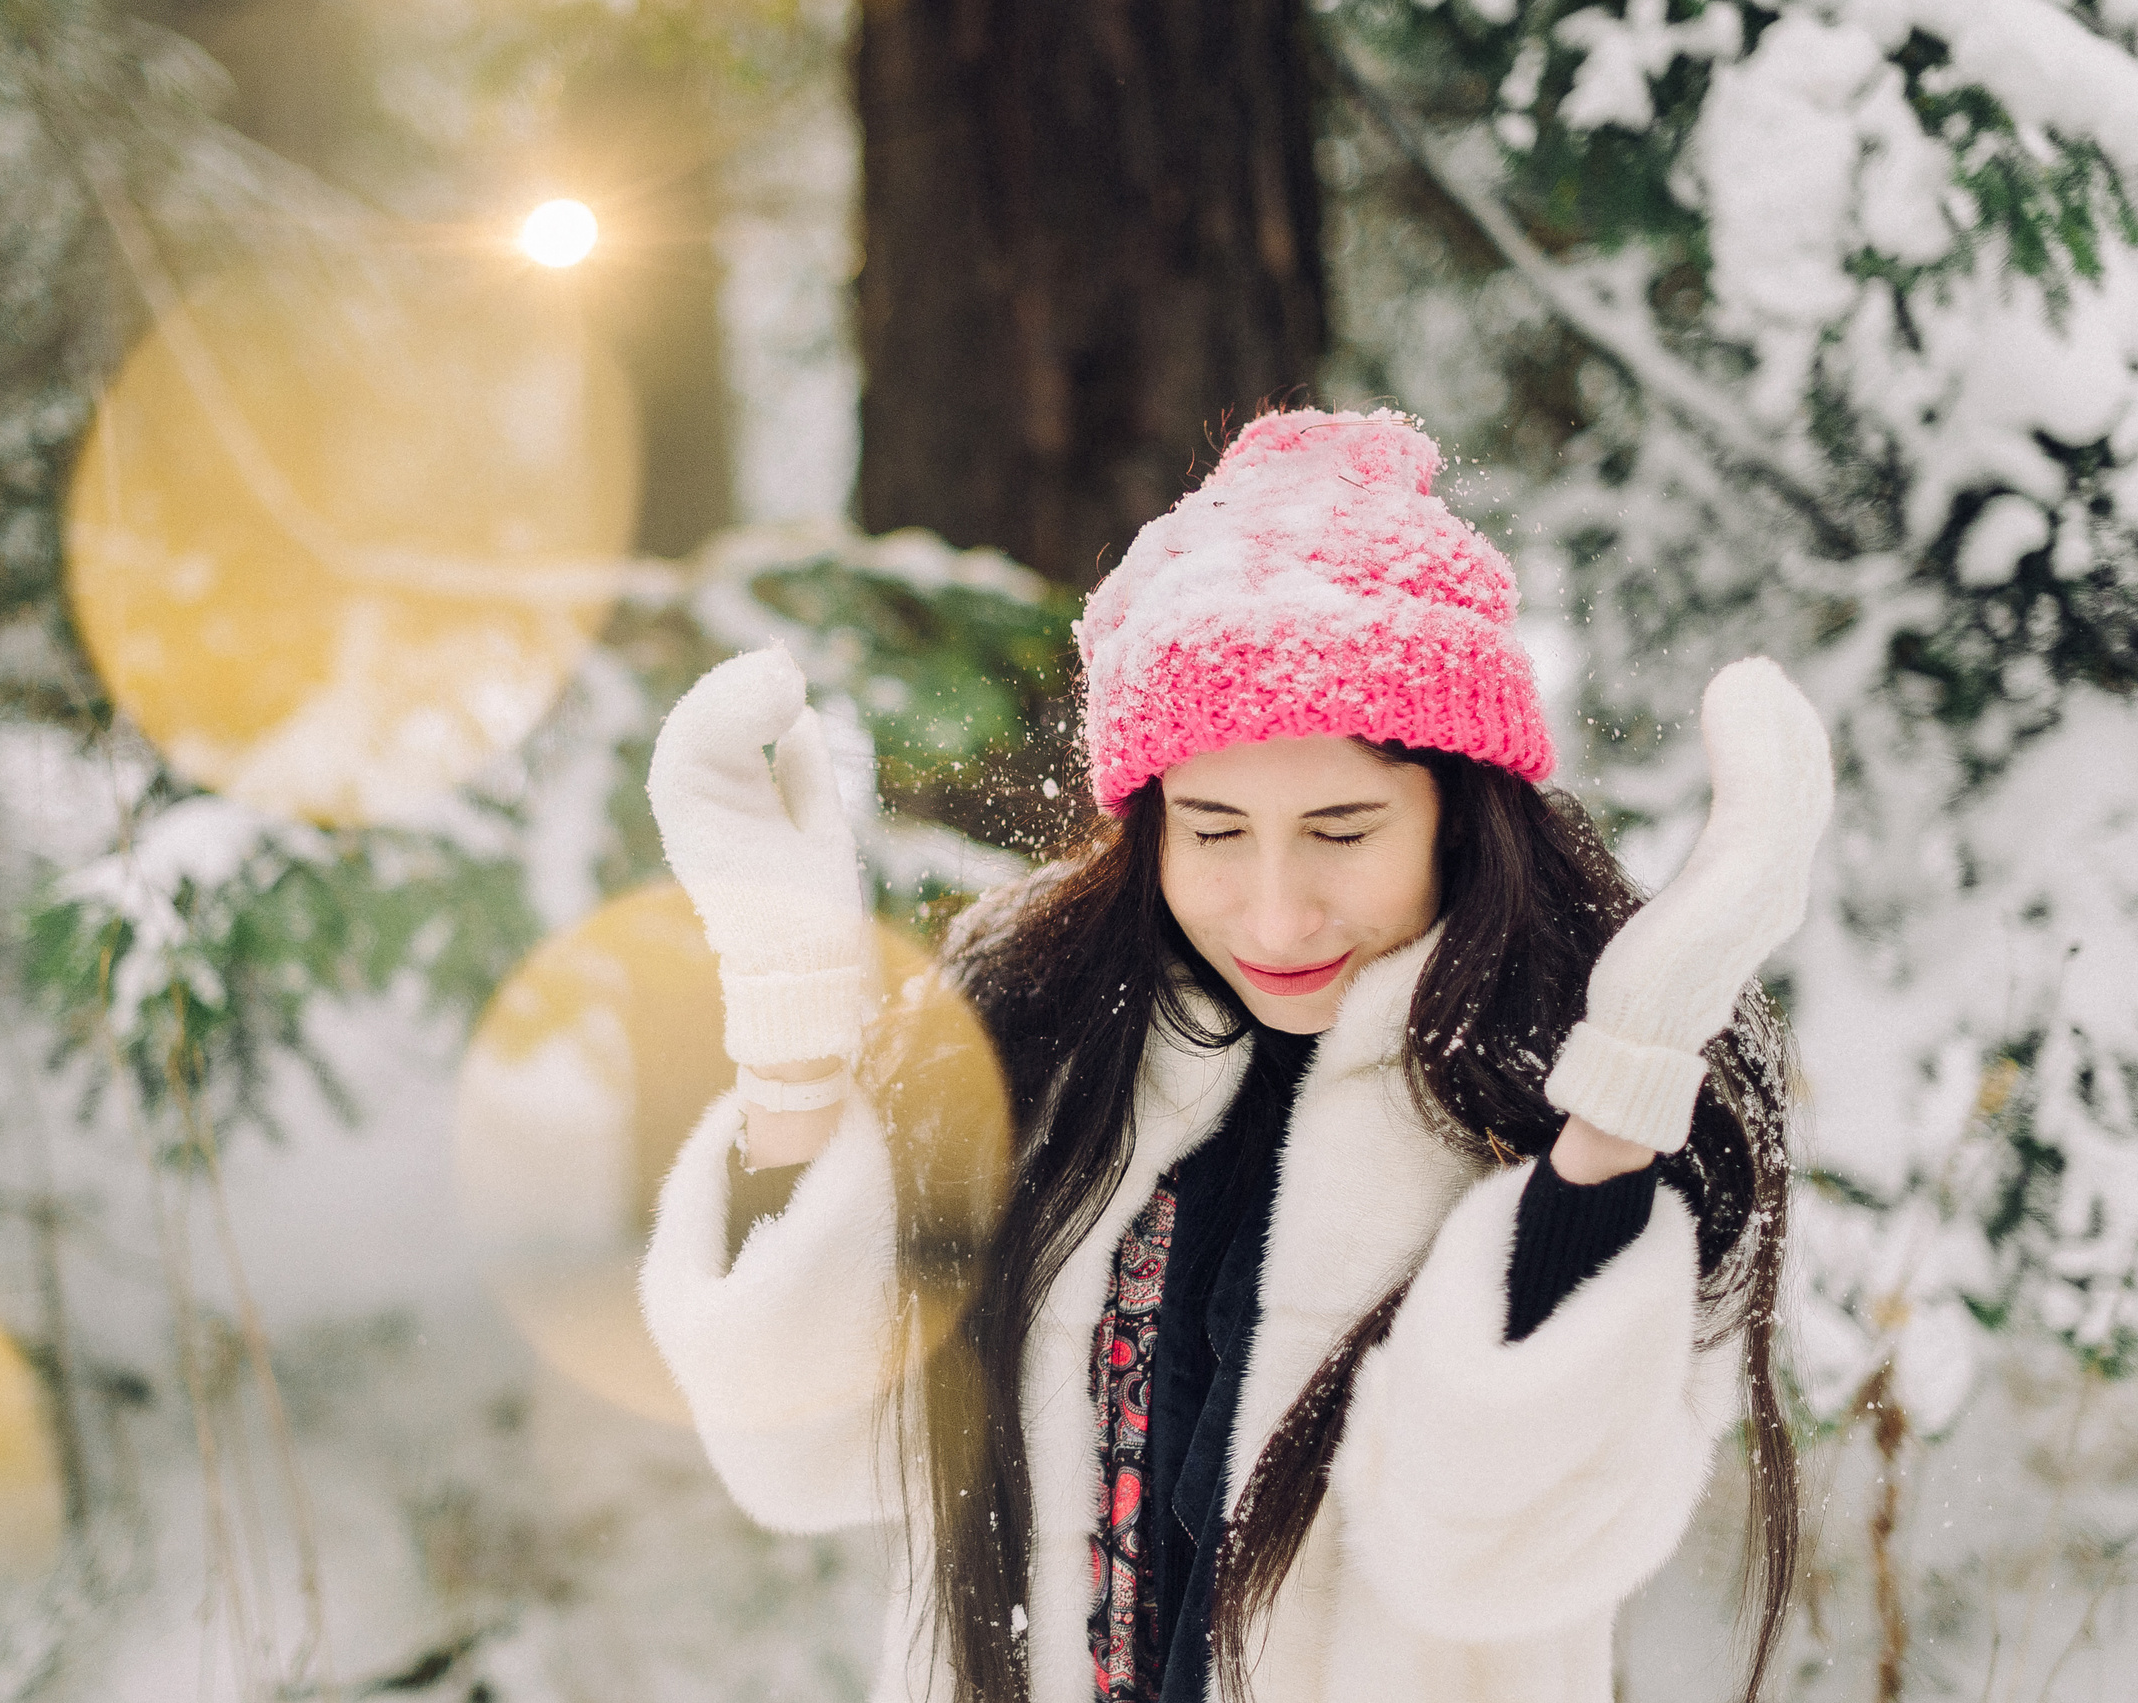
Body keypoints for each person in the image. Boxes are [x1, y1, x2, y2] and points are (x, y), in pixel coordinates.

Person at [637, 408, 1831, 1703]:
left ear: (1461, 813)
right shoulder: (1049, 1051)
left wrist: (1622, 1092)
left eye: (1342, 832)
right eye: (1213, 831)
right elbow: (811, 1443)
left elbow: (1493, 1558)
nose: (1275, 916)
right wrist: (792, 1033)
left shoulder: (1523, 1088)